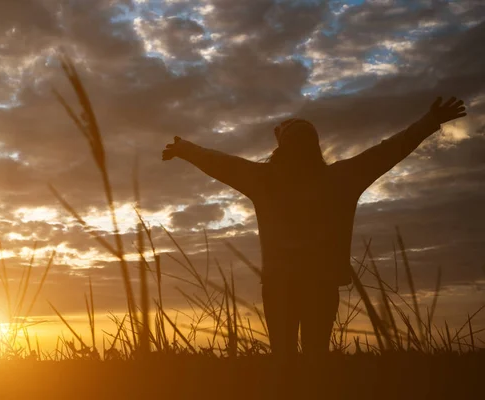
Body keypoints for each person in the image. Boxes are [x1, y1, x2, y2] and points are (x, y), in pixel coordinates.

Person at [162, 96, 467, 357]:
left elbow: (221, 163)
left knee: (285, 357)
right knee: (314, 356)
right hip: (318, 284)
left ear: (281, 148)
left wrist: (186, 149)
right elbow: (389, 150)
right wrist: (429, 122)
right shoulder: (340, 179)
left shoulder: (266, 180)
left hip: (283, 284)